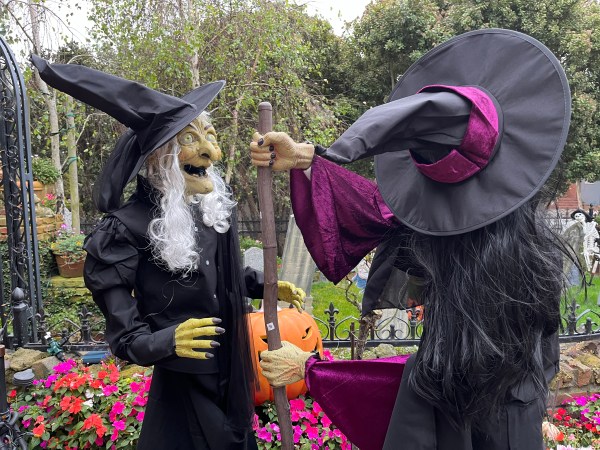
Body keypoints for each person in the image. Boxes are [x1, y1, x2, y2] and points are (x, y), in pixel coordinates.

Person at [250, 29, 572, 450]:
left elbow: (432, 388)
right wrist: (307, 158)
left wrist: (313, 371)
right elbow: (379, 212)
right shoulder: (525, 244)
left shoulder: (498, 284)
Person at [30, 56, 305, 450]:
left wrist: (265, 285)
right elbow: (124, 332)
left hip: (231, 369)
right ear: (156, 157)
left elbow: (219, 273)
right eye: (190, 140)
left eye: (210, 136)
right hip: (182, 384)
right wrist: (166, 341)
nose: (211, 152)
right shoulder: (124, 229)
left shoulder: (210, 210)